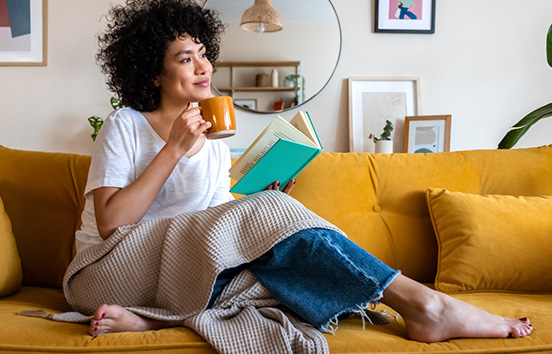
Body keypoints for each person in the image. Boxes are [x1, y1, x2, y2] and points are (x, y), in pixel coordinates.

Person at [75, 0, 532, 343]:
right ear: (153, 73)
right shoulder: (126, 124)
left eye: (202, 53)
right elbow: (113, 221)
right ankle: (426, 303)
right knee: (275, 246)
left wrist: (266, 201)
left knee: (284, 266)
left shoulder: (214, 143)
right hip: (108, 270)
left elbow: (213, 229)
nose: (203, 66)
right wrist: (173, 149)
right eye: (184, 58)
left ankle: (153, 316)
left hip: (180, 270)